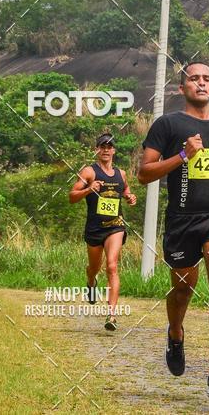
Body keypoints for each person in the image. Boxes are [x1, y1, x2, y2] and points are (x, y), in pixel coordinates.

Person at [138, 61, 209, 402]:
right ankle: (175, 333)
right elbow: (144, 173)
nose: (201, 84)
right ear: (182, 88)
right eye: (194, 79)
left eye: (207, 79)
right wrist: (183, 156)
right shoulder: (167, 125)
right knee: (184, 289)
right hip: (183, 220)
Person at [69, 132, 137, 331]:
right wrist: (89, 190)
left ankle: (112, 315)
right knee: (94, 268)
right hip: (94, 229)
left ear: (114, 150)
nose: (106, 150)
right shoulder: (89, 172)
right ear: (97, 150)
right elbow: (72, 196)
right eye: (102, 146)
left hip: (115, 226)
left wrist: (130, 198)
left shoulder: (121, 173)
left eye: (109, 146)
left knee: (112, 266)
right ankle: (91, 282)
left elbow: (125, 191)